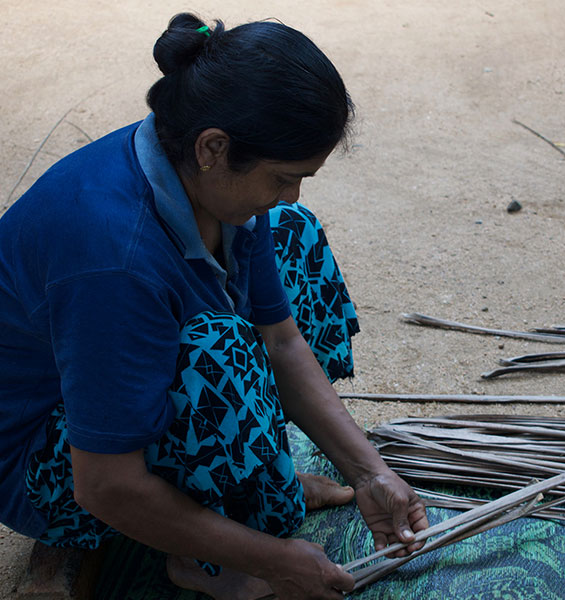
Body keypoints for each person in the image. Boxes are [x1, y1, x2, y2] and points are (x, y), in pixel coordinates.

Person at [0, 13, 428, 600]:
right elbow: (104, 485)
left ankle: (250, 482)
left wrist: (370, 472)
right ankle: (201, 555)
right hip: (45, 466)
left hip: (106, 404)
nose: (292, 191)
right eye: (283, 175)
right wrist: (277, 560)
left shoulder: (200, 178)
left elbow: (280, 341)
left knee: (291, 232)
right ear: (213, 148)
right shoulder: (115, 259)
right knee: (217, 349)